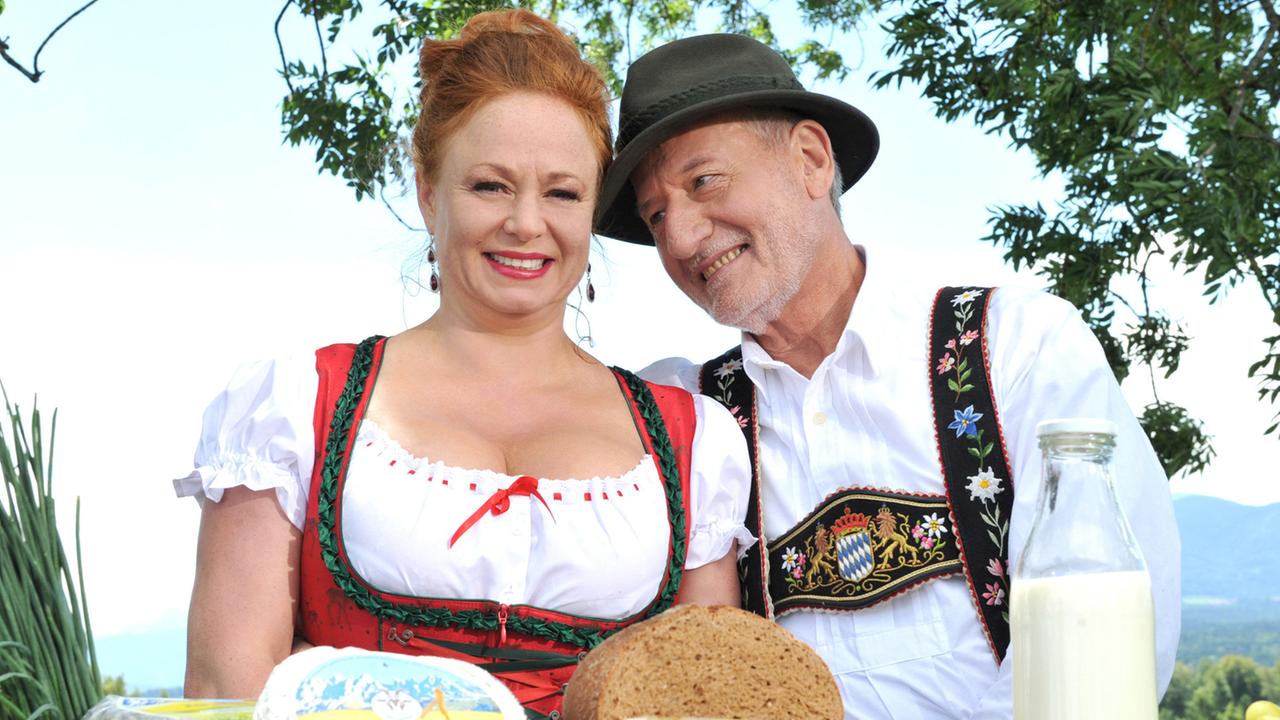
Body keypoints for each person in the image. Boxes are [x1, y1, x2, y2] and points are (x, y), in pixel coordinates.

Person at [175, 12, 752, 718]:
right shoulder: (298, 406)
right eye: (490, 185)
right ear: (427, 192)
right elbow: (223, 692)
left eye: (563, 192)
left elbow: (713, 696)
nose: (526, 223)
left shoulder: (691, 440)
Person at [594, 33, 1181, 719]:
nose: (682, 238)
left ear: (812, 161)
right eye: (656, 214)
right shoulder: (687, 418)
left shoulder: (1017, 348)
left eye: (704, 181)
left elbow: (1105, 649)